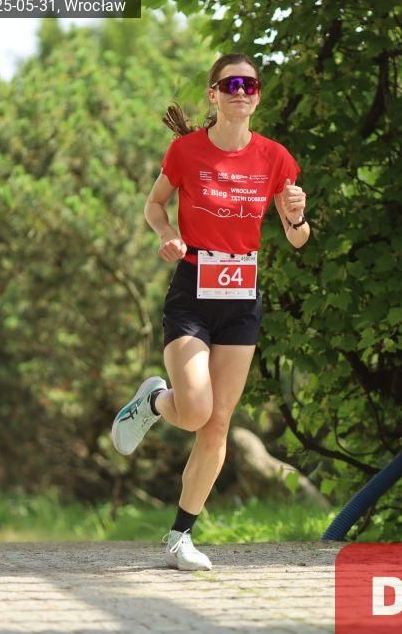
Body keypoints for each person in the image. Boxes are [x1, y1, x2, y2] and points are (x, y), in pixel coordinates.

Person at [111, 53, 309, 570]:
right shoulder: (186, 151)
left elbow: (298, 238)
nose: (241, 91)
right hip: (193, 293)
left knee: (217, 423)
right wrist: (168, 235)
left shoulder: (275, 158)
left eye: (250, 85)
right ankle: (155, 401)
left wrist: (296, 218)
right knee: (196, 408)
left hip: (242, 297)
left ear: (257, 96)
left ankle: (180, 536)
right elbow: (154, 205)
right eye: (231, 83)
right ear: (213, 94)